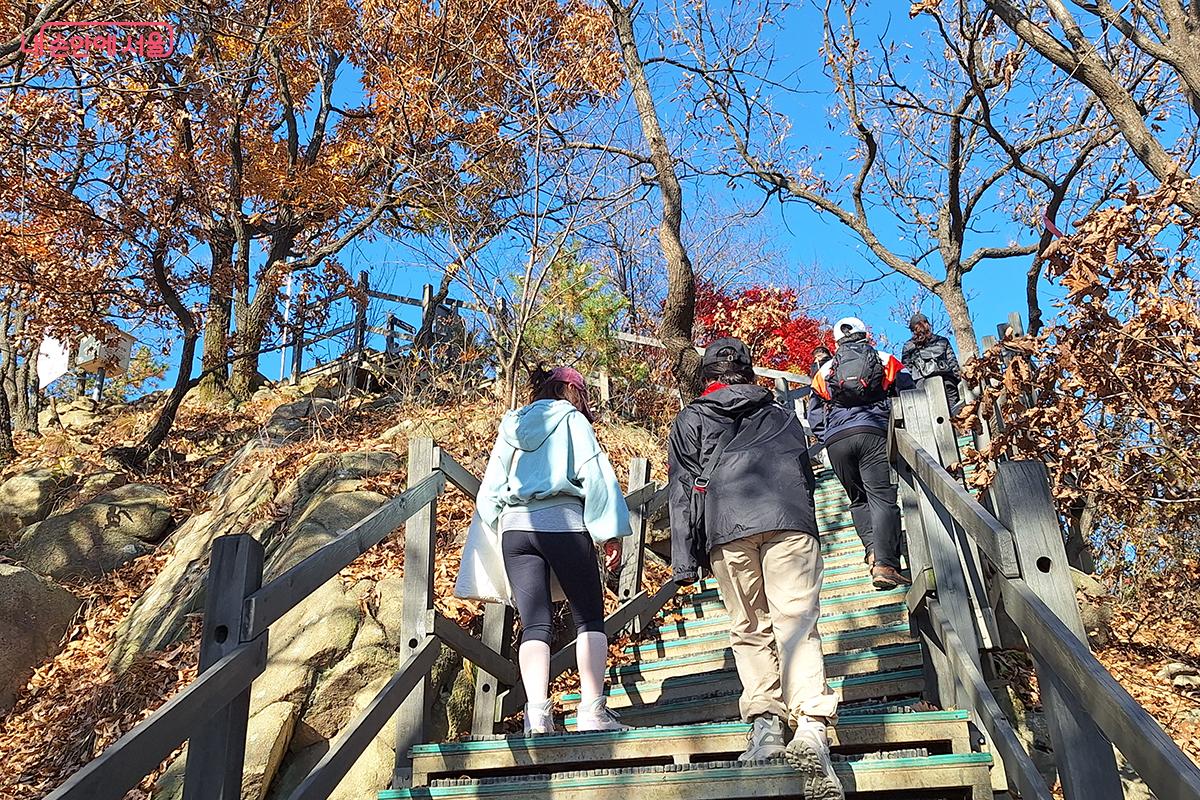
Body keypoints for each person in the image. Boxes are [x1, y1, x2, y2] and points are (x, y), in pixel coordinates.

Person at [668, 338, 843, 799]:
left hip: (728, 526)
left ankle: (766, 727)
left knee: (749, 626)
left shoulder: (691, 419)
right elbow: (806, 473)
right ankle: (810, 726)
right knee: (798, 622)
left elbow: (683, 487)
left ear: (708, 377)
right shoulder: (783, 413)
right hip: (790, 521)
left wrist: (684, 559)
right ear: (750, 372)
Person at [475, 365, 632, 735]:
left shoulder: (510, 427)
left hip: (516, 530)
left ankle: (537, 716)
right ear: (573, 393)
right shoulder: (573, 422)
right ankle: (592, 712)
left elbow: (490, 491)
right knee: (589, 618)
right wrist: (609, 533)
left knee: (536, 624)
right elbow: (595, 475)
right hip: (562, 523)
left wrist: (498, 526)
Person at [807, 317, 914, 591]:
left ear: (836, 342)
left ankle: (872, 551)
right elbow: (910, 394)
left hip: (837, 441)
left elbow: (814, 416)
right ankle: (886, 565)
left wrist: (828, 435)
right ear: (866, 335)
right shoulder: (885, 359)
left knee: (858, 499)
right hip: (873, 432)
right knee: (882, 498)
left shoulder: (825, 370)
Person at [901, 312, 961, 411]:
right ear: (928, 324)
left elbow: (906, 372)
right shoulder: (943, 341)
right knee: (953, 413)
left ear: (912, 330)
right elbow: (953, 365)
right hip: (947, 382)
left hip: (922, 386)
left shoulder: (908, 346)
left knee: (928, 417)